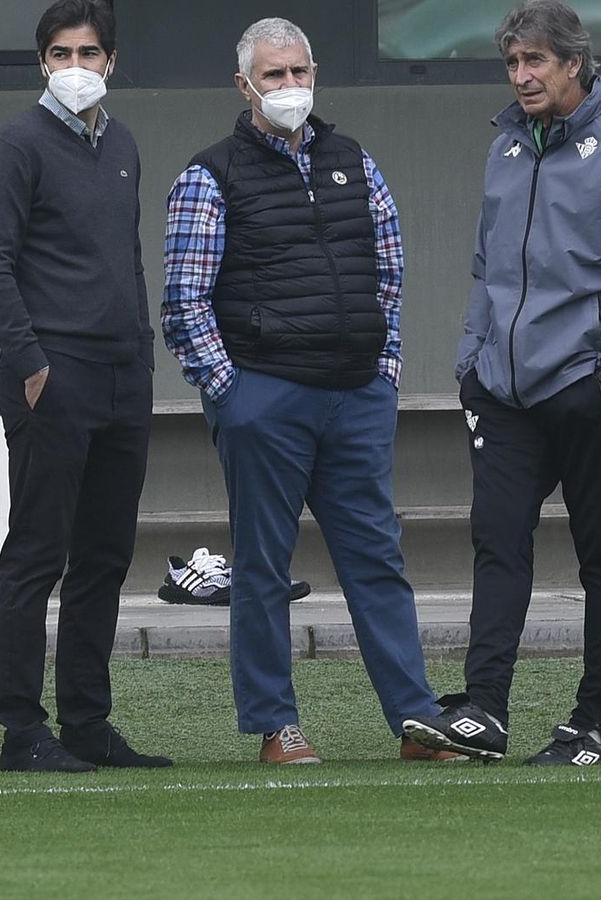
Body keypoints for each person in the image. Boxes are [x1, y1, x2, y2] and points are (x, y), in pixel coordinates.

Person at [163, 17, 455, 765]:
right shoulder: (210, 174)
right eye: (273, 76)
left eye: (298, 72)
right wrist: (233, 394)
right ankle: (275, 726)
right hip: (266, 399)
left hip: (356, 397)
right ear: (244, 86)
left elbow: (389, 273)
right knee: (262, 567)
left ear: (315, 73)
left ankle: (417, 721)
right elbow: (183, 299)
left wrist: (385, 370)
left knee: (378, 561)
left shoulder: (354, 162)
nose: (289, 87)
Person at [403, 0, 601, 766]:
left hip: (590, 393)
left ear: (575, 64)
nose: (521, 77)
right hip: (503, 394)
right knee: (497, 542)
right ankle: (485, 711)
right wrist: (471, 364)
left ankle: (592, 725)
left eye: (535, 62)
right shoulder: (506, 148)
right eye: (512, 64)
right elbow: (486, 271)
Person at [0, 0, 169, 773]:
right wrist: (34, 364)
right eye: (60, 54)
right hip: (54, 378)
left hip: (124, 377)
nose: (75, 67)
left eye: (89, 53)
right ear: (40, 63)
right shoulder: (17, 145)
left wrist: (141, 352)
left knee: (106, 557)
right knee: (37, 555)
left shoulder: (123, 145)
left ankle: (87, 722)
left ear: (111, 62)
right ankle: (22, 730)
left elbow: (128, 258)